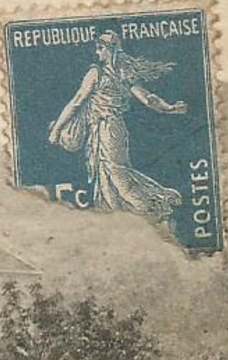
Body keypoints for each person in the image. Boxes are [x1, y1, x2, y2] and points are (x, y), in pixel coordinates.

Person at [47, 29, 189, 222]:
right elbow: (147, 99)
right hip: (114, 130)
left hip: (106, 130)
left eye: (100, 49)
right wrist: (169, 108)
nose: (97, 53)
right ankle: (124, 219)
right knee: (109, 178)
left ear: (108, 50)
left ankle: (150, 208)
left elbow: (77, 101)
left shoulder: (96, 73)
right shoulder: (123, 74)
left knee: (116, 176)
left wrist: (56, 130)